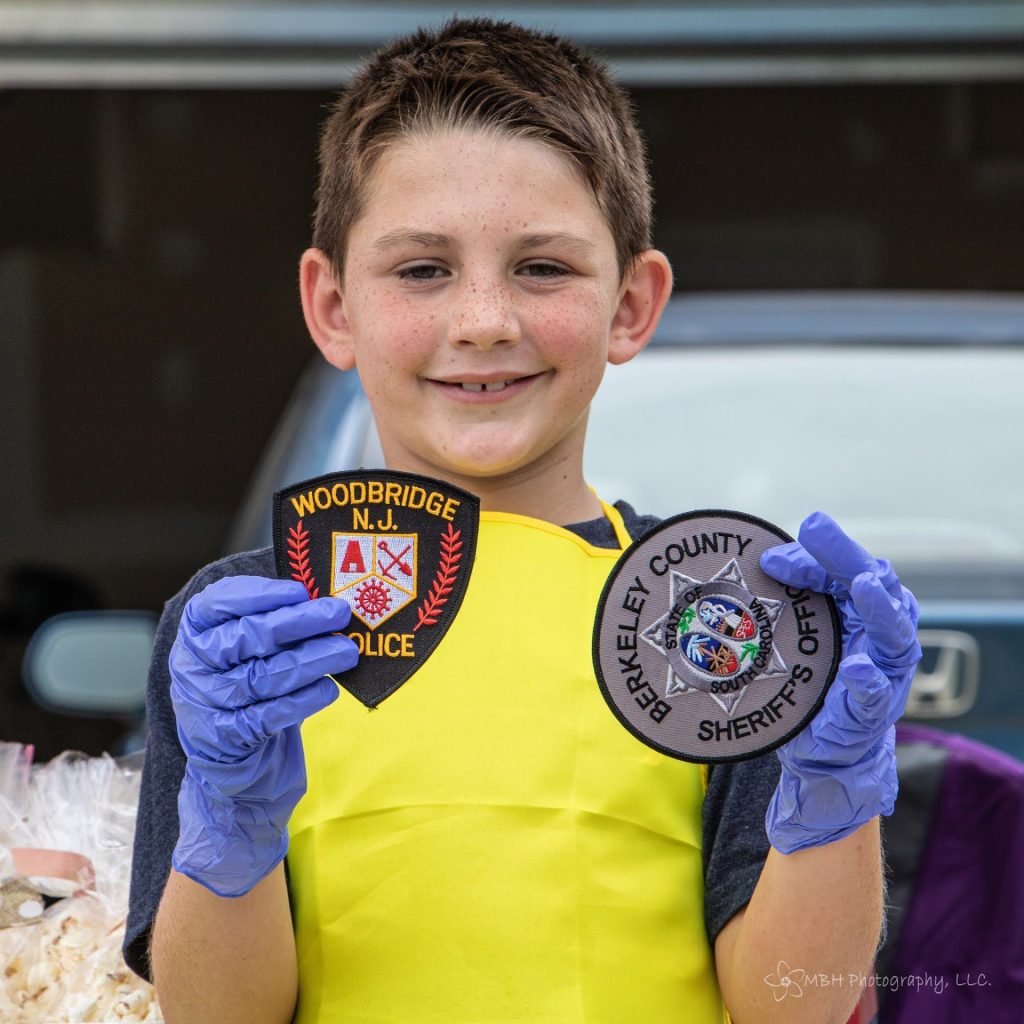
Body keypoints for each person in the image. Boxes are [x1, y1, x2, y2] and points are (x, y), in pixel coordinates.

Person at [124, 18, 920, 1024]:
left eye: (542, 268)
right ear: (331, 306)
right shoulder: (249, 628)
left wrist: (837, 792)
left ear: (631, 304)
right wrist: (229, 820)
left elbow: (792, 1009)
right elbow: (217, 1015)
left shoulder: (716, 607)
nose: (484, 322)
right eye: (422, 269)